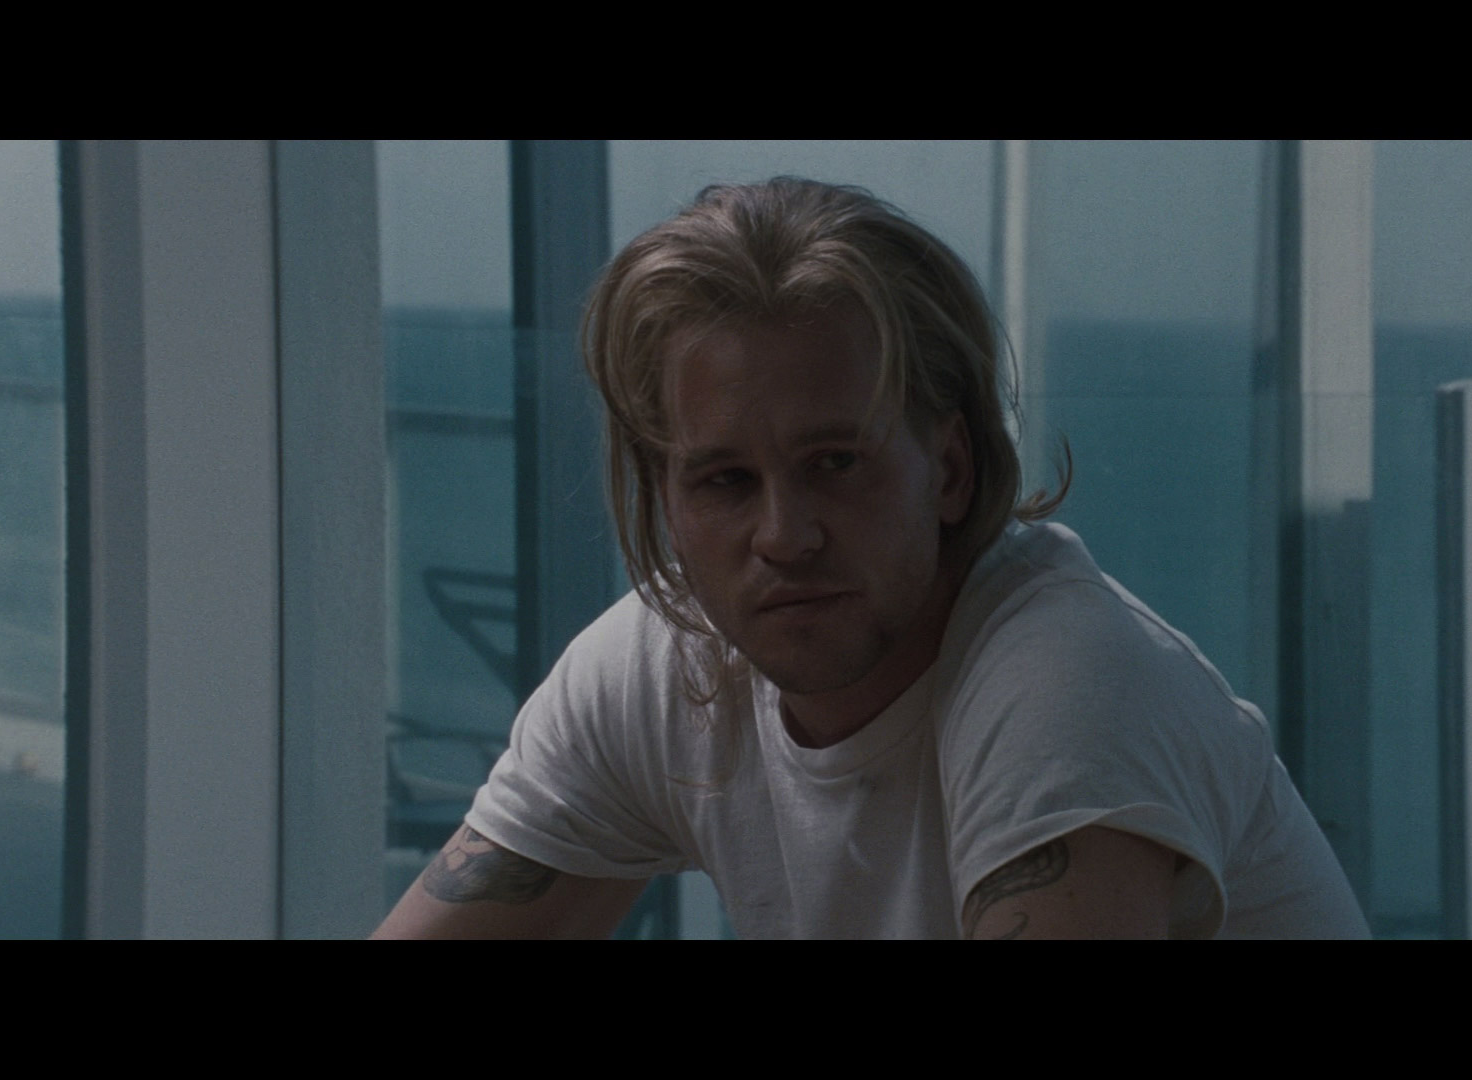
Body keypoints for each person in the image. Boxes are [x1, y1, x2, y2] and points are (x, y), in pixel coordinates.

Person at [374, 177, 1369, 939]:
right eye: (725, 480)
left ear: (949, 468)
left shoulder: (1063, 688)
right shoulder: (658, 668)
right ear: (667, 501)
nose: (784, 535)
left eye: (835, 463)